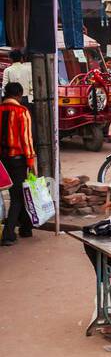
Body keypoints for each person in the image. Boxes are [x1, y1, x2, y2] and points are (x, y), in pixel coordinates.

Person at [1, 82, 37, 245]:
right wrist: (31, 161)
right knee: (17, 197)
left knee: (15, 194)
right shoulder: (22, 111)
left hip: (2, 161)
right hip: (17, 160)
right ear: (19, 95)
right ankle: (8, 233)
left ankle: (26, 228)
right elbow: (26, 139)